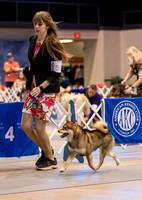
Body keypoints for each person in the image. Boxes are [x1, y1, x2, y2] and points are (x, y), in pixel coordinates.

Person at [21, 11, 70, 170]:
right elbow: (36, 65)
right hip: (32, 90)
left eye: (40, 24)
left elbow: (55, 74)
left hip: (47, 92)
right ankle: (48, 152)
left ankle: (49, 157)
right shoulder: (32, 40)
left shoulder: (54, 44)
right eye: (35, 23)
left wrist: (41, 87)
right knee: (26, 126)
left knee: (40, 127)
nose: (36, 27)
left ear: (48, 25)